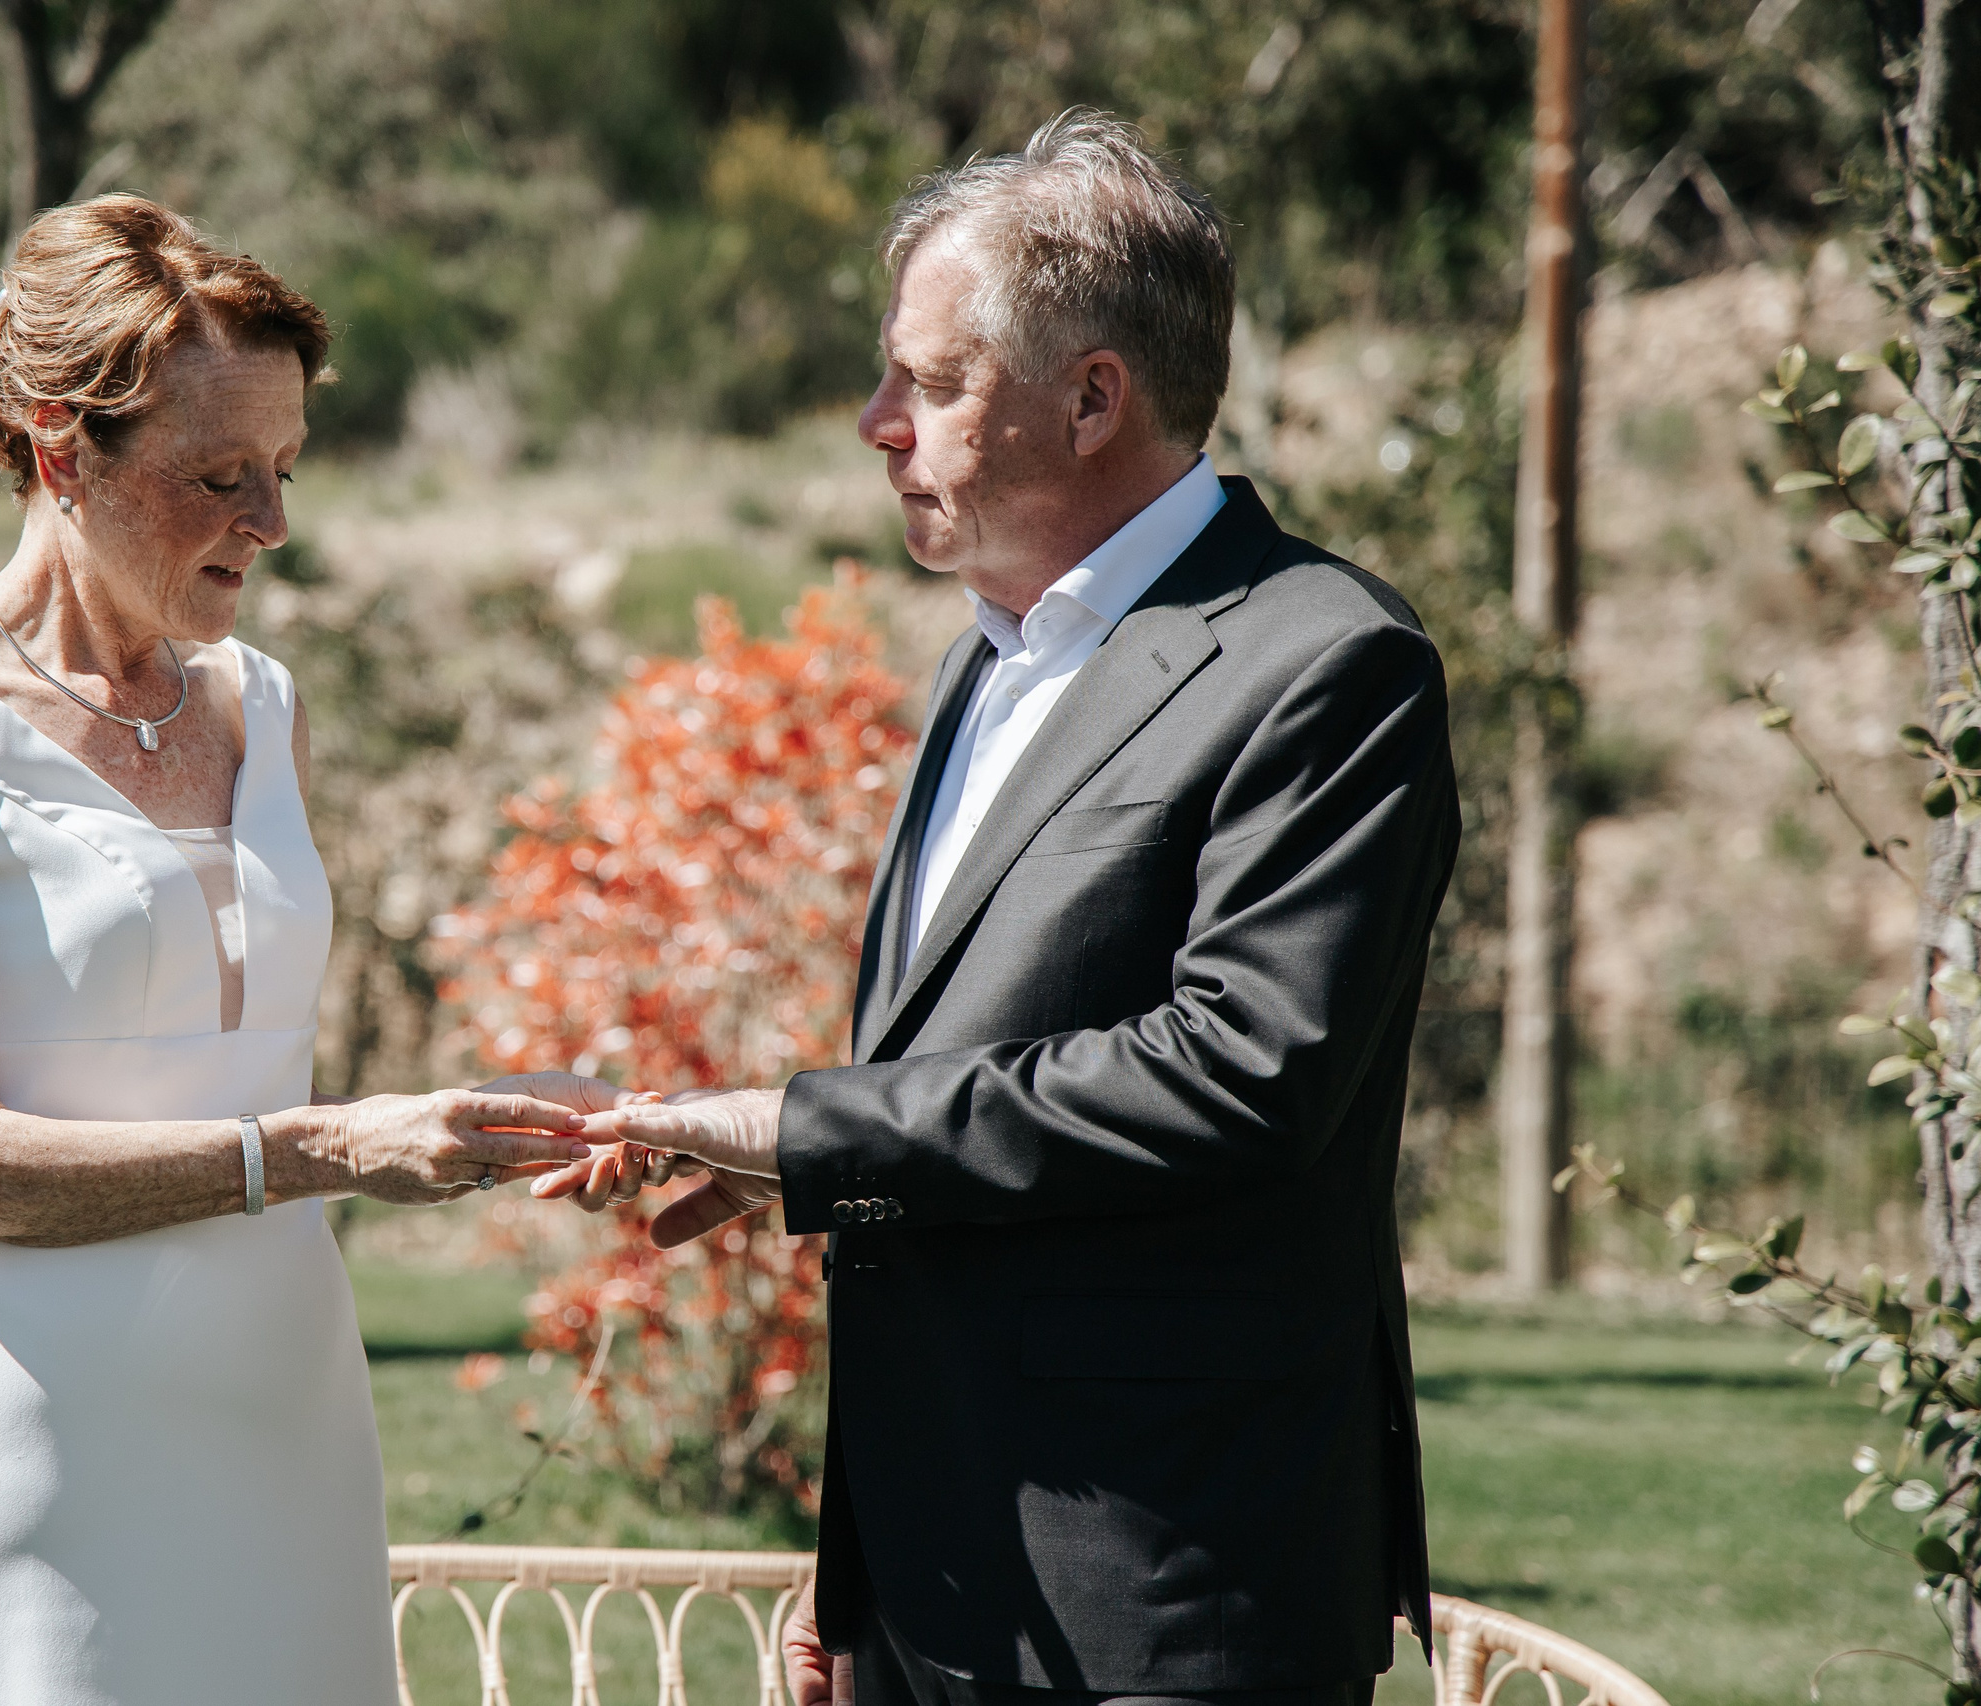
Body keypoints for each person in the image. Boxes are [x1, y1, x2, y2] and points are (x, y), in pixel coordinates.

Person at [560, 111, 1461, 1706]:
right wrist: (858, 1571)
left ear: (1093, 395)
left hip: (1164, 1602)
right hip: (943, 1587)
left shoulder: (1327, 661)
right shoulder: (991, 653)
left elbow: (1242, 1075)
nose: (875, 422)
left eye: (928, 378)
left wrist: (809, 1132)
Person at [0, 194, 598, 1706]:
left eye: (285, 470)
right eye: (219, 476)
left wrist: (483, 1120)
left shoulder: (265, 702)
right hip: (42, 1446)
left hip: (287, 1420)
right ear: (59, 451)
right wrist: (323, 1148)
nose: (272, 524)